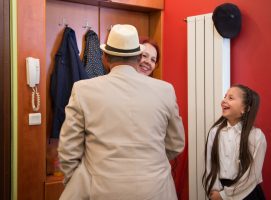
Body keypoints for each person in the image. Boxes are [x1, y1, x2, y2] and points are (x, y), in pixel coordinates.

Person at [58, 24, 185, 200]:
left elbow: (69, 148)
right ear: (139, 57)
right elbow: (176, 144)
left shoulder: (83, 90)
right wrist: (150, 160)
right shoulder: (165, 90)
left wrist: (78, 181)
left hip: (99, 190)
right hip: (156, 190)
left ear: (105, 57)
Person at [202, 84, 267, 200]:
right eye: (225, 96)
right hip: (219, 192)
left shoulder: (256, 136)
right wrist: (215, 191)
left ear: (245, 108)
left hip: (248, 193)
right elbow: (210, 166)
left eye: (230, 98)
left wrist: (225, 196)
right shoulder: (214, 132)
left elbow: (253, 175)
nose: (224, 101)